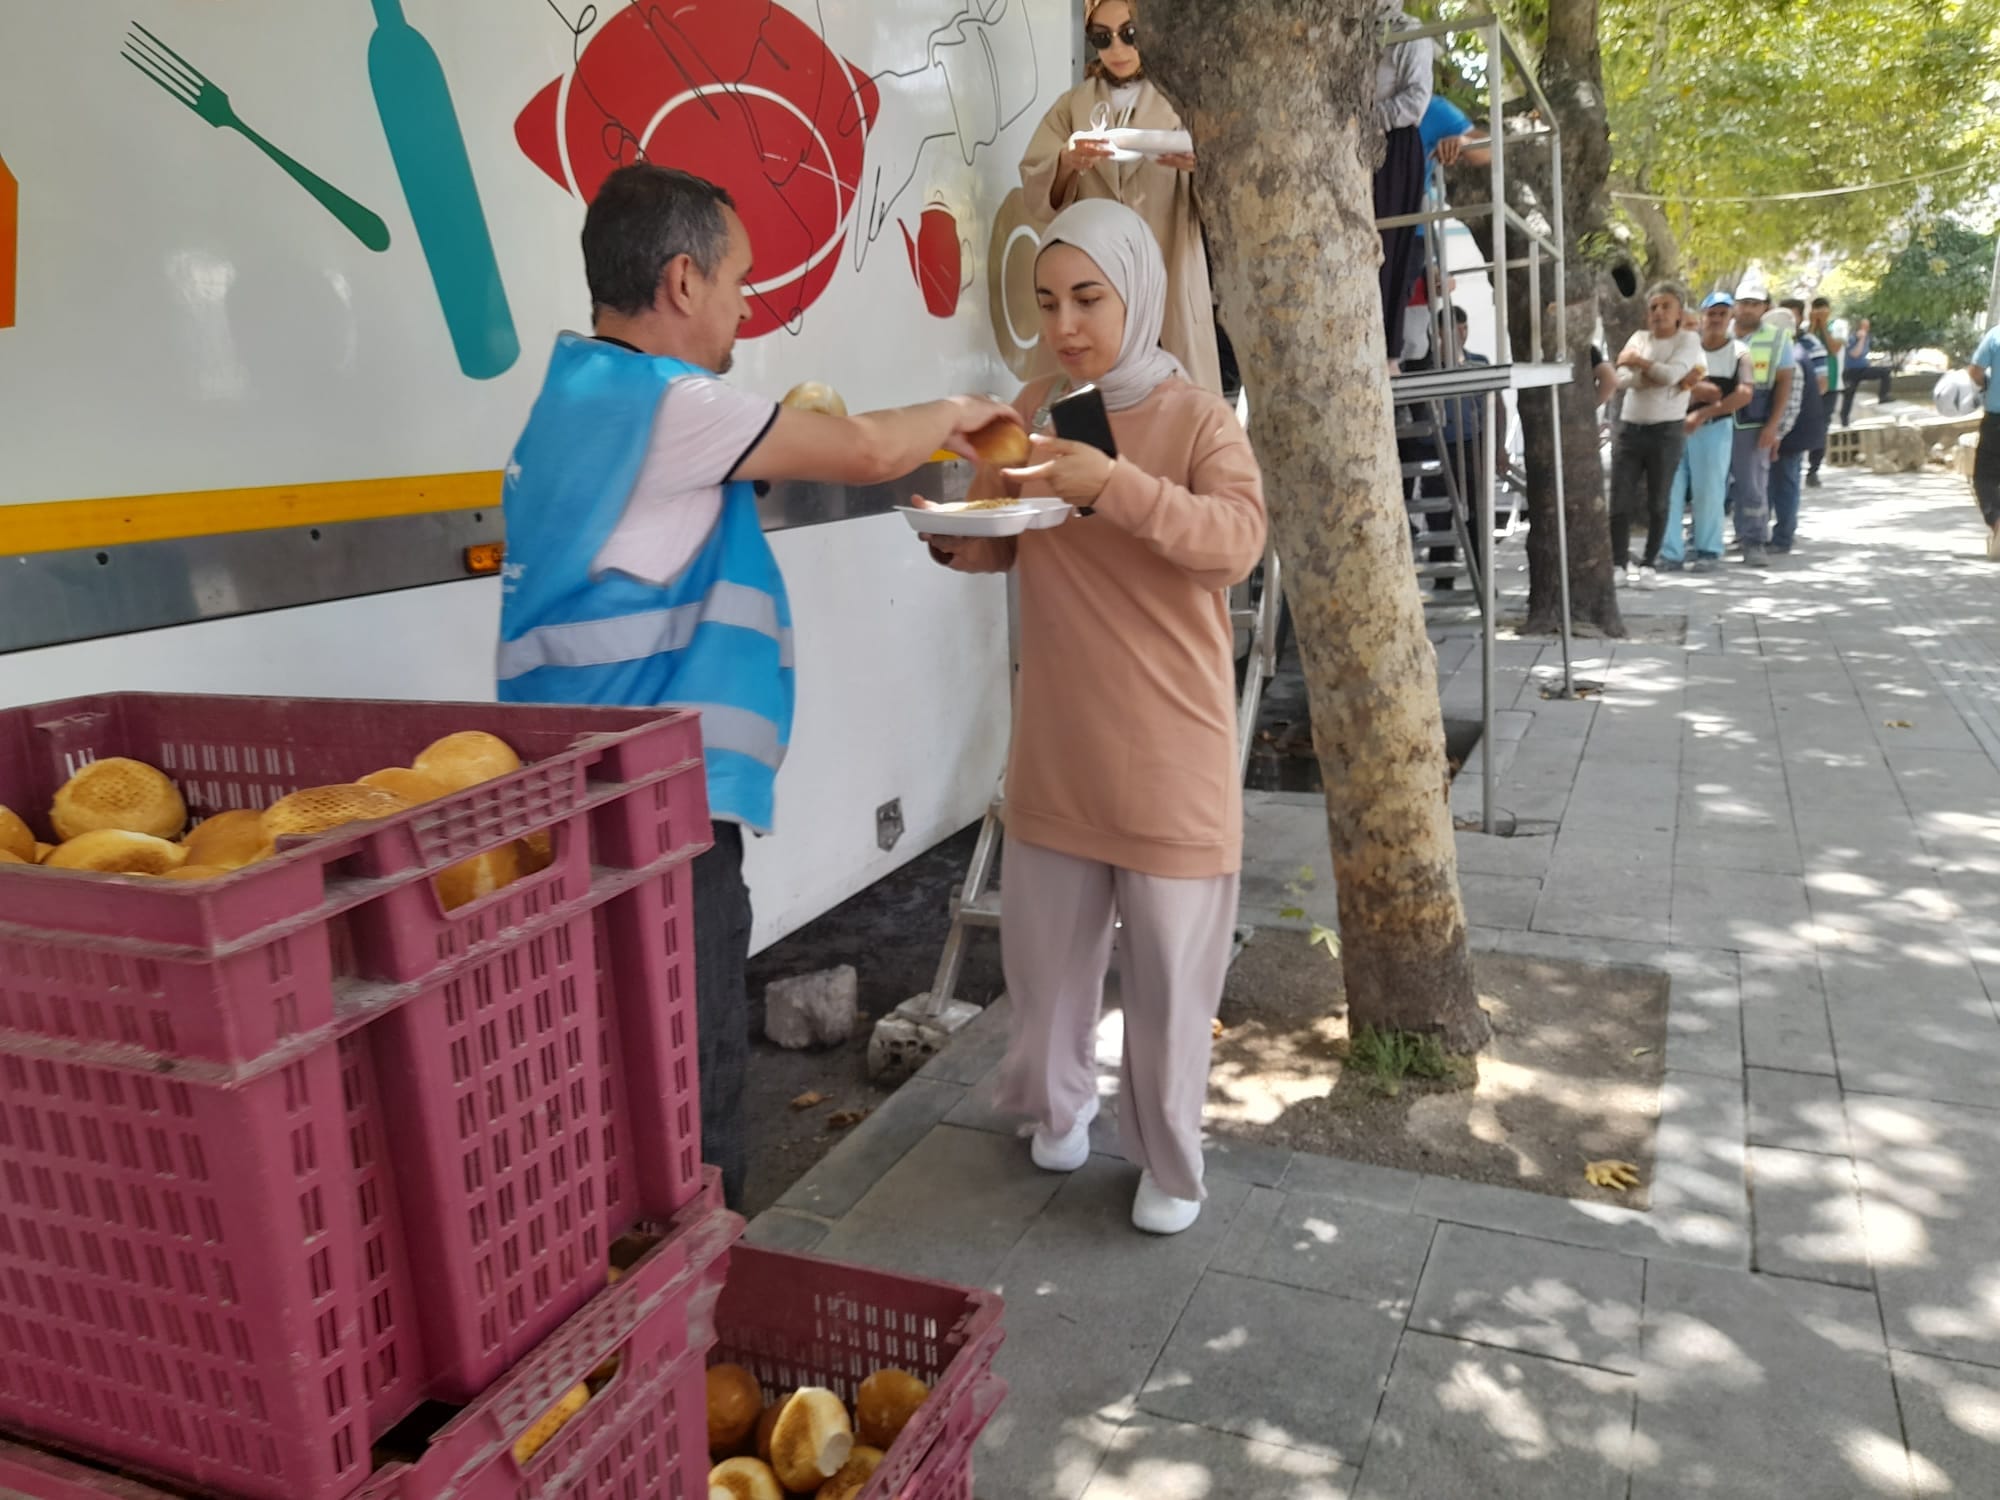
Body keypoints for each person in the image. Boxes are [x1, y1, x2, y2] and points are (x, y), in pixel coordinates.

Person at [494, 164, 1019, 1209]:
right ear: (682, 281)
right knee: (690, 1086)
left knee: (614, 1073)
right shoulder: (666, 403)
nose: (745, 302)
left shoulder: (572, 398)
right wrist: (964, 408)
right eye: (737, 277)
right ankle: (707, 1307)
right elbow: (868, 448)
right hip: (656, 817)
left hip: (574, 800)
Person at [919, 200, 1266, 1235]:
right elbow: (1001, 538)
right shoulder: (1029, 404)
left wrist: (1113, 482)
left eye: (1086, 298)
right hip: (1058, 749)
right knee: (1043, 965)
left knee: (1165, 981)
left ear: (1137, 294)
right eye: (1045, 302)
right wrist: (949, 534)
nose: (1063, 324)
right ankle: (1055, 1109)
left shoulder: (1197, 416)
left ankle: (1167, 1158)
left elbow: (1233, 543)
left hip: (1168, 751)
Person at [1018, 0, 1221, 394]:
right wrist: (1066, 161)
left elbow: (1232, 191)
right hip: (1095, 282)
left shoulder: (1187, 98)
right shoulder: (1073, 105)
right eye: (1101, 38)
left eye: (1131, 34)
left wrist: (1202, 166)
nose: (1117, 49)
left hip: (1172, 272)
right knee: (1093, 404)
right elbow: (1036, 187)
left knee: (1177, 408)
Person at [1609, 283, 1701, 585]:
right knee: (1619, 500)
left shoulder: (1688, 340)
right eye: (1653, 307)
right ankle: (1618, 563)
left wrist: (1640, 364)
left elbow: (1673, 376)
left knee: (1658, 500)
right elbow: (1620, 379)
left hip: (1666, 432)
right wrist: (1652, 373)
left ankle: (1649, 563)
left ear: (1679, 313)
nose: (1658, 312)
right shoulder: (1639, 337)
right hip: (1630, 429)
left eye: (1665, 306)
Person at [1659, 291, 1751, 573]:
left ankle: (1708, 550)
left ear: (1730, 316)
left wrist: (1704, 413)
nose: (1716, 319)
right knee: (1668, 490)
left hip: (1713, 429)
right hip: (1673, 427)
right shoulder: (1687, 347)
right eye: (1712, 313)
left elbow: (1745, 393)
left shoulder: (1739, 353)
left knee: (1709, 491)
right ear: (1703, 316)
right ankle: (1669, 552)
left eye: (1723, 313)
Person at [1373, 0, 1433, 374]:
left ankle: (1387, 351)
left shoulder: (1410, 32)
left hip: (1392, 145)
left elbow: (1415, 101)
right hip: (1352, 145)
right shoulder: (1346, 29)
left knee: (1387, 248)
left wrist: (1363, 119)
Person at [1727, 276, 1794, 568]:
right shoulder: (1717, 331)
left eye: (1754, 304)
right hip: (1716, 418)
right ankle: (1705, 541)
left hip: (1754, 422)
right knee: (1714, 485)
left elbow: (1784, 384)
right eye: (1743, 304)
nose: (1748, 310)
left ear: (1765, 307)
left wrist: (1773, 427)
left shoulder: (1778, 338)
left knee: (1753, 484)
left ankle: (1754, 542)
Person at [1771, 299, 1830, 553]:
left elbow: (1791, 404)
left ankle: (1783, 536)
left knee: (1786, 483)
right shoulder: (1791, 353)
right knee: (1783, 483)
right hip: (1790, 431)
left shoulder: (1792, 358)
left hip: (1790, 433)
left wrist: (1777, 434)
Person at [1970, 320, 2000, 558]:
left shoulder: (1996, 335)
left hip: (1996, 420)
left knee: (1984, 477)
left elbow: (1976, 372)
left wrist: (1986, 385)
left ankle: (1997, 522)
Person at [1807, 297, 1843, 485]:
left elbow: (1833, 349)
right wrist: (1813, 325)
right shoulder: (1806, 327)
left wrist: (1823, 327)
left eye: (1823, 310)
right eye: (1817, 310)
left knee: (1822, 426)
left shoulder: (1838, 326)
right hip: (1808, 387)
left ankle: (1814, 468)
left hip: (1831, 385)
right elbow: (1805, 347)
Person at [1840, 316, 1892, 424]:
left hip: (1863, 369)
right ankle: (1844, 420)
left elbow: (1863, 355)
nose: (1866, 329)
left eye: (1867, 327)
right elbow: (1855, 354)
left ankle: (1883, 396)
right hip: (1851, 372)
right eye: (1863, 327)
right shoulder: (1851, 338)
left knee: (1885, 372)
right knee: (1849, 396)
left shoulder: (1867, 338)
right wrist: (1861, 339)